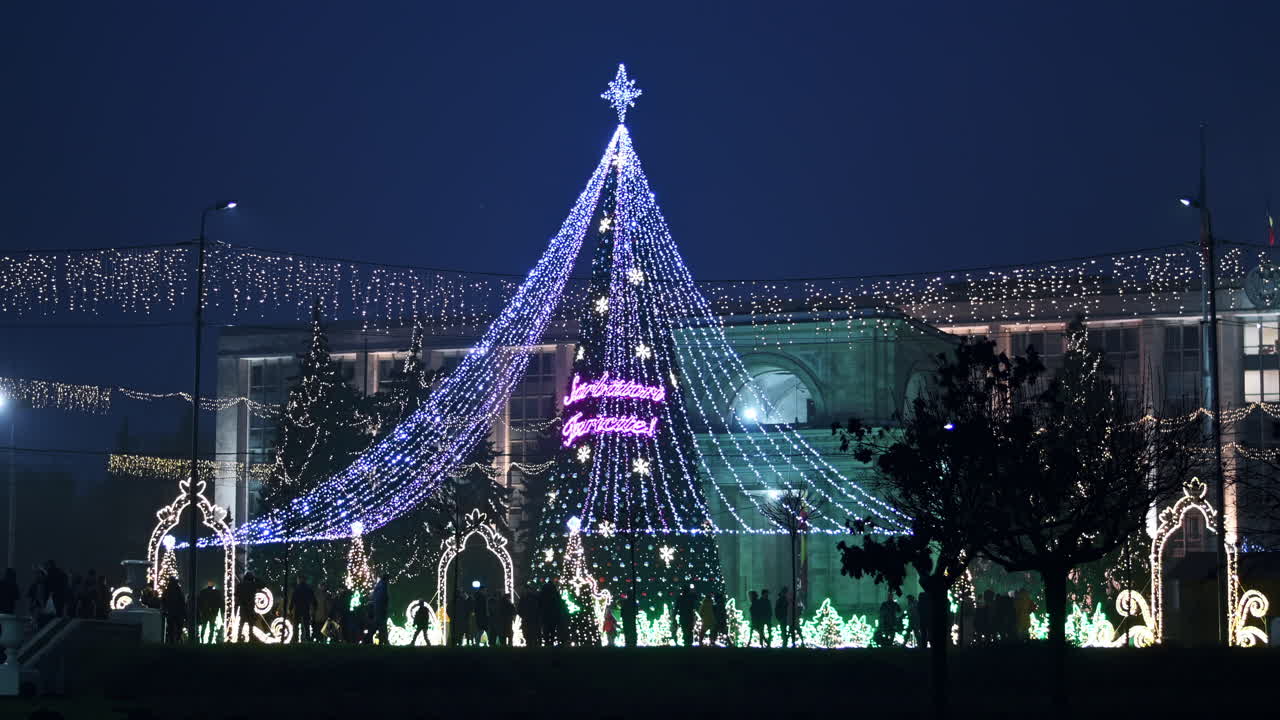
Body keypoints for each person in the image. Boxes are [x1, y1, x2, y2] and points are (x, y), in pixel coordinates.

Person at [291, 575, 316, 643]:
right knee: (306, 625)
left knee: (296, 625)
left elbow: (293, 599)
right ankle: (307, 639)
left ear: (299, 580)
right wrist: (314, 607)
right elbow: (313, 600)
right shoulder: (308, 589)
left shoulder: (297, 589)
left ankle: (295, 639)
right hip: (306, 609)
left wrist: (290, 608)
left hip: (298, 609)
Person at [236, 572, 258, 643]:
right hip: (250, 606)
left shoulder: (240, 585)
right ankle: (251, 636)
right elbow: (262, 585)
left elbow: (236, 594)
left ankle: (239, 636)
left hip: (242, 605)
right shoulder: (253, 585)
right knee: (250, 622)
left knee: (242, 622)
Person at [162, 579, 186, 644]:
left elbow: (163, 601)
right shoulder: (178, 590)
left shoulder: (167, 591)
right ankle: (177, 639)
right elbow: (183, 602)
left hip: (171, 612)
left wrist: (164, 609)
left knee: (171, 628)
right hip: (177, 612)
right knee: (178, 627)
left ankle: (172, 640)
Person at [539, 581, 562, 647]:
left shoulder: (542, 594)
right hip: (553, 615)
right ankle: (551, 643)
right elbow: (558, 606)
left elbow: (540, 605)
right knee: (552, 631)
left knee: (546, 630)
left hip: (545, 615)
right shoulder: (555, 594)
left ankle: (547, 643)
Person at [371, 574, 390, 645]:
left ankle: (382, 641)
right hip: (381, 609)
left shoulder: (379, 586)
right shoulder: (384, 586)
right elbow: (385, 598)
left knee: (378, 625)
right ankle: (384, 641)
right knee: (381, 625)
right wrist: (385, 608)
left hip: (377, 608)